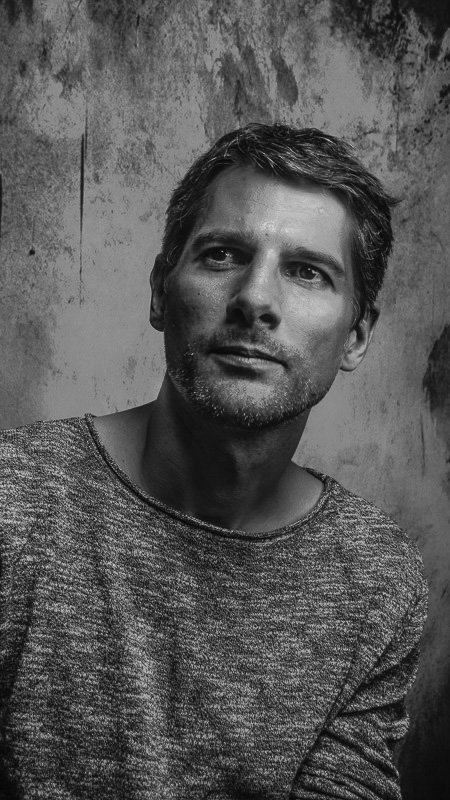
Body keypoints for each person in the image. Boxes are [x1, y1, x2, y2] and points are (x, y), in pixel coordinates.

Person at [0, 123, 427, 800]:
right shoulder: (14, 501)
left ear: (356, 335)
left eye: (307, 271)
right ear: (159, 291)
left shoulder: (375, 580)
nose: (255, 299)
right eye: (223, 254)